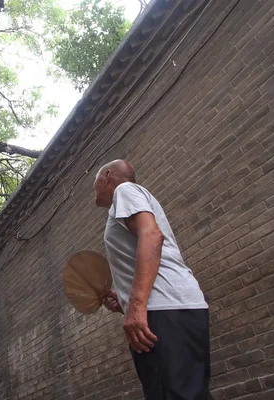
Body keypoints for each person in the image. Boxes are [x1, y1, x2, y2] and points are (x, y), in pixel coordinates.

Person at [94, 159, 211, 400]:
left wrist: (136, 307)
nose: (93, 188)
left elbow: (151, 235)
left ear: (107, 176)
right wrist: (125, 301)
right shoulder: (128, 200)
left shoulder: (124, 191)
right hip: (175, 308)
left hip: (164, 311)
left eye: (94, 180)